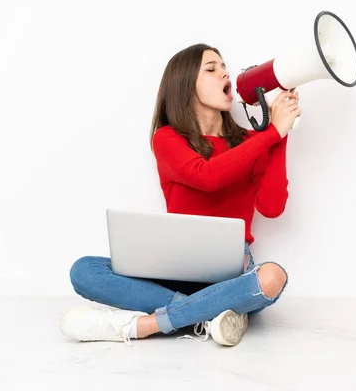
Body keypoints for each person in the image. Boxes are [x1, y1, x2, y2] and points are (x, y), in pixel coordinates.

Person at [59, 43, 301, 347]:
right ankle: (210, 311)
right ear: (185, 86)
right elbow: (207, 176)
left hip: (228, 270)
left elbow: (272, 206)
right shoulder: (167, 138)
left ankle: (147, 324)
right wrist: (271, 134)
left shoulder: (255, 142)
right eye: (211, 69)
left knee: (272, 277)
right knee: (84, 270)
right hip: (174, 267)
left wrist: (280, 134)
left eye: (224, 66)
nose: (224, 72)